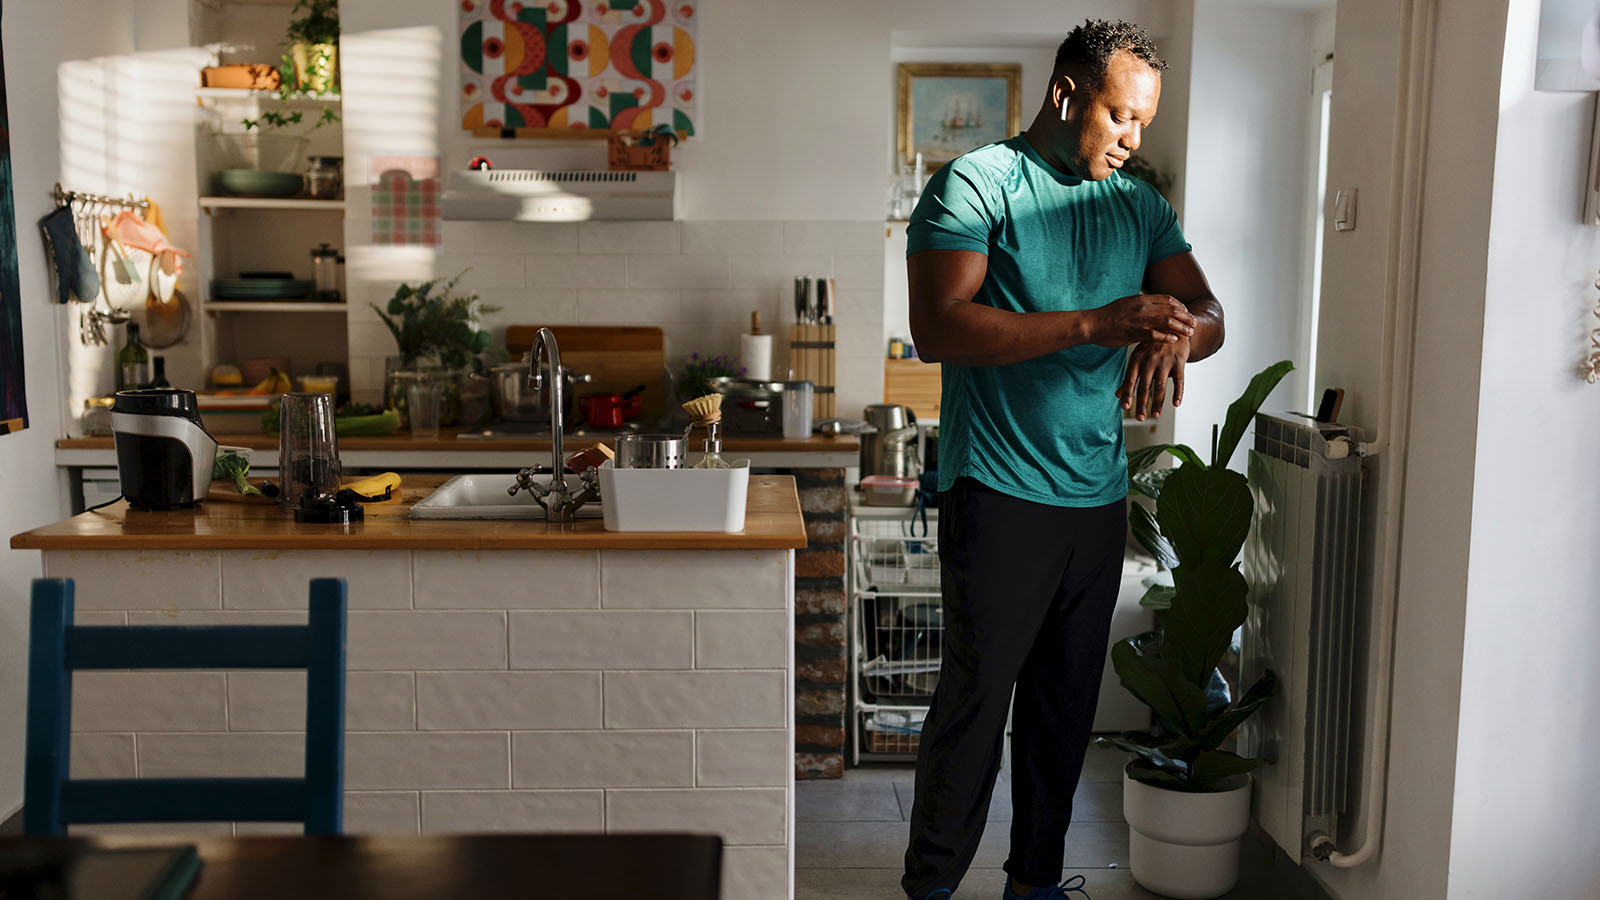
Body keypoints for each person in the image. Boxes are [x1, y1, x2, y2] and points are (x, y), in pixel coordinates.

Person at [899, 18, 1225, 900]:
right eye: (1121, 116)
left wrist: (1177, 331)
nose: (1133, 138)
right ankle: (929, 886)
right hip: (997, 486)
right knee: (975, 708)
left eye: (1145, 123)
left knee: (1063, 712)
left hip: (1096, 495)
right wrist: (1103, 322)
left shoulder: (1140, 205)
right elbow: (939, 328)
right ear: (1065, 94)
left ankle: (1034, 884)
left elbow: (1210, 310)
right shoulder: (977, 184)